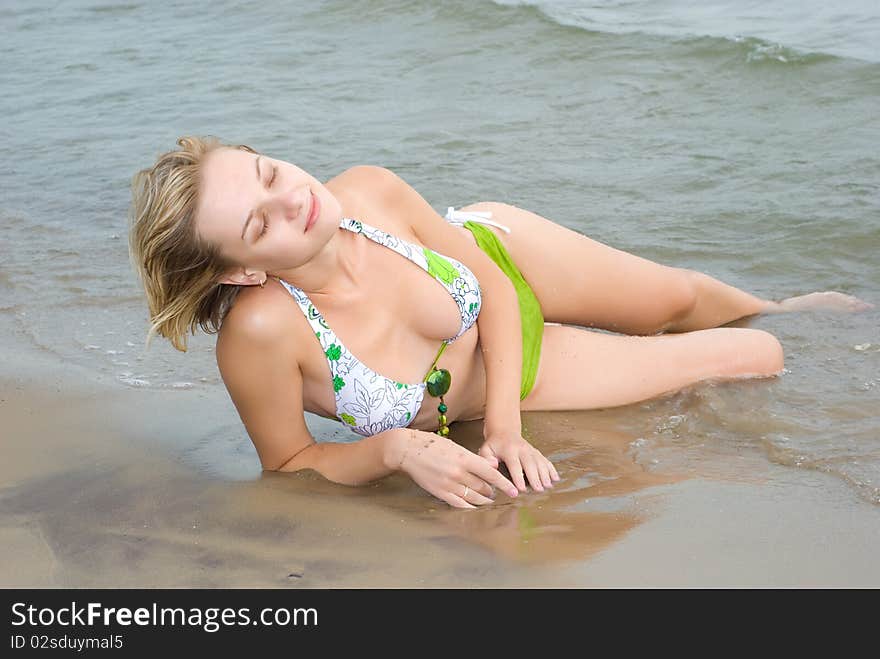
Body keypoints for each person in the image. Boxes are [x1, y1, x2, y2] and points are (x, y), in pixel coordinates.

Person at [128, 136, 873, 509]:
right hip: (504, 376)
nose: (293, 199)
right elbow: (288, 465)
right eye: (261, 224)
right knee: (759, 356)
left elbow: (491, 286)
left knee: (678, 299)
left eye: (268, 172)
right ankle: (768, 325)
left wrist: (507, 430)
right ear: (241, 270)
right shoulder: (260, 335)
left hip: (502, 272)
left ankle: (779, 299)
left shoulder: (369, 193)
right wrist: (396, 449)